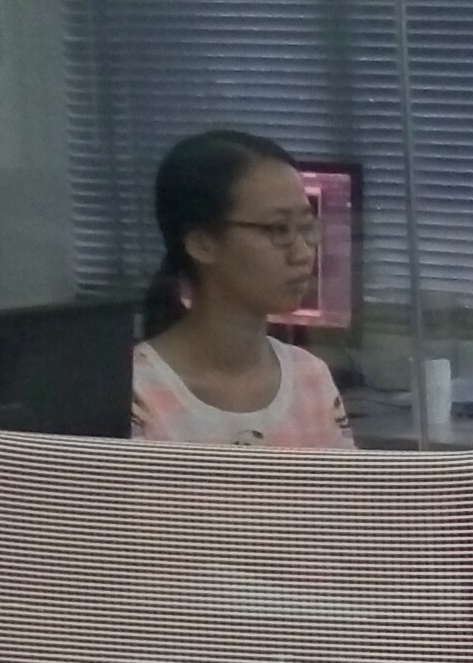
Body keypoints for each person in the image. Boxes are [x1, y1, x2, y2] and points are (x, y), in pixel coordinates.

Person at [131, 130, 348, 445]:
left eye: (307, 226)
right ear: (202, 243)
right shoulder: (138, 392)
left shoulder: (311, 377)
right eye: (279, 229)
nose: (303, 253)